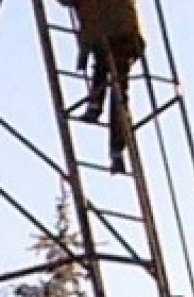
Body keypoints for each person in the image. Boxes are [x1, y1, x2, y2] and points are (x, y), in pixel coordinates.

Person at [57, 0, 145, 174]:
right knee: (118, 90)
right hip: (121, 31)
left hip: (108, 32)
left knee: (113, 83)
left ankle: (96, 108)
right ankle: (116, 147)